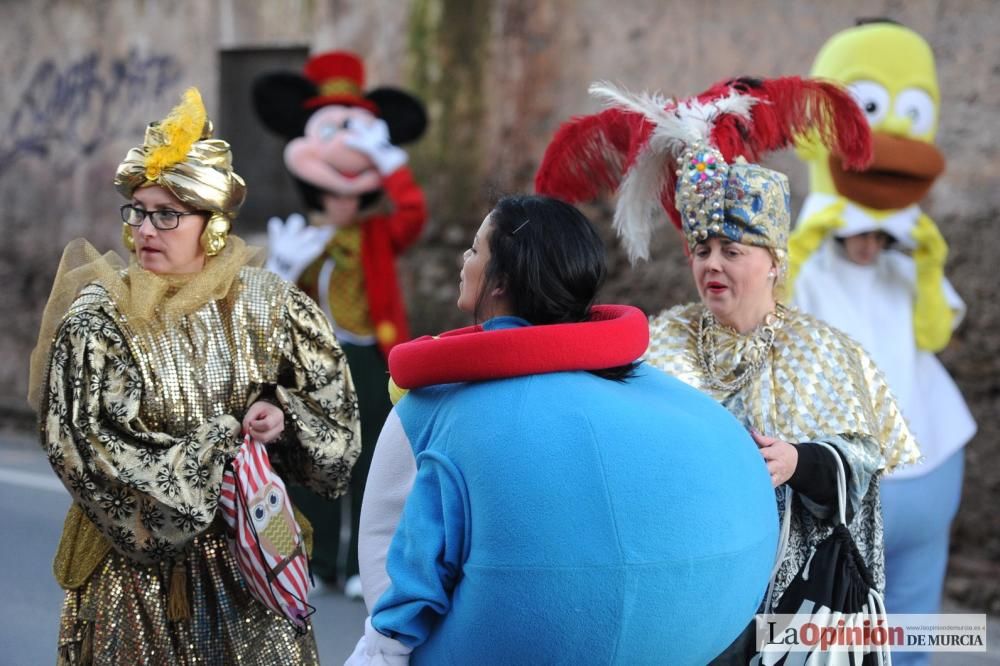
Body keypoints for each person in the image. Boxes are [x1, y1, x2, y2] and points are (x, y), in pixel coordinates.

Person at [535, 76, 921, 662]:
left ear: (773, 263)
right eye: (703, 250)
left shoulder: (826, 352)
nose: (712, 265)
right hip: (685, 589)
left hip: (791, 602)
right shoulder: (662, 338)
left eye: (732, 251)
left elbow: (865, 461)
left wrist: (798, 460)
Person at [346, 194, 780, 664]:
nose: (464, 260)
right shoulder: (666, 394)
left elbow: (415, 564)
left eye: (475, 251)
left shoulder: (446, 412)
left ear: (501, 282)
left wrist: (383, 648)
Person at [27, 88, 360, 664]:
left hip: (251, 560)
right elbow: (84, 449)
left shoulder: (271, 305)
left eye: (167, 214)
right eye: (138, 211)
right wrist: (214, 451)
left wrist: (282, 416)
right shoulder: (97, 318)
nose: (146, 230)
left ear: (210, 225)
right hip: (134, 583)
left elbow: (337, 421)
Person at [788, 23, 976, 666]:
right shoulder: (805, 267)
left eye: (880, 236)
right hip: (853, 483)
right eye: (857, 235)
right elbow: (771, 328)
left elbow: (934, 332)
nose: (868, 245)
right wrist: (811, 238)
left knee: (914, 633)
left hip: (930, 468)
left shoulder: (903, 268)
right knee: (832, 639)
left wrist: (923, 261)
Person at [253, 51, 428, 598]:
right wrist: (280, 267)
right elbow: (273, 308)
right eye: (330, 193)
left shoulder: (376, 234)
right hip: (312, 365)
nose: (341, 202)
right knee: (311, 462)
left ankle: (360, 565)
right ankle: (316, 557)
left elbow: (413, 216)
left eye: (349, 193)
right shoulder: (296, 234)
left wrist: (391, 163)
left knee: (372, 461)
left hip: (367, 355)